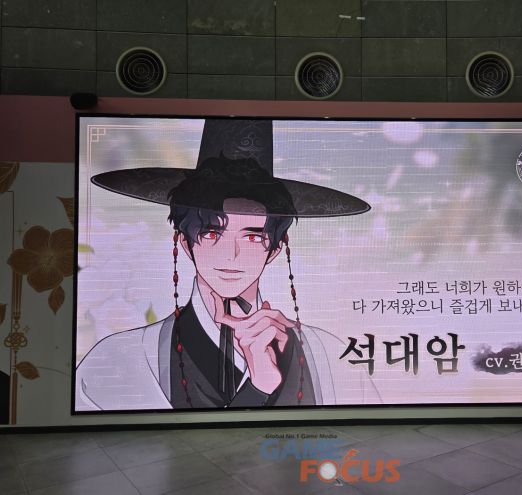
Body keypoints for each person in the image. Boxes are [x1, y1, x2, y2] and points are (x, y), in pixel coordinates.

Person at [75, 119, 381, 411]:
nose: (231, 255)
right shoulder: (118, 358)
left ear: (274, 249)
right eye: (211, 234)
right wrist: (258, 388)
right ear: (186, 242)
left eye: (252, 237)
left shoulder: (327, 354)